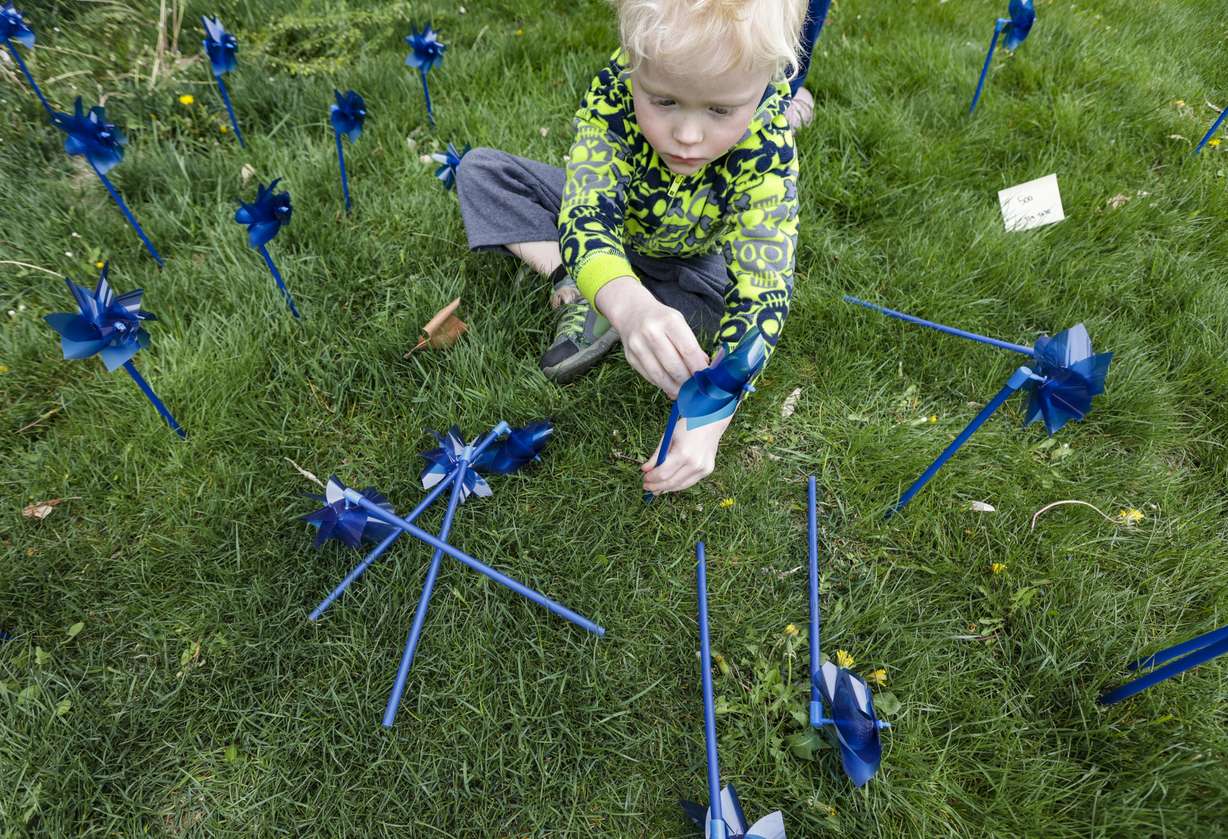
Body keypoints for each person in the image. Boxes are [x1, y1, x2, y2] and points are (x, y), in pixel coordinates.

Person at [455, 0, 804, 495]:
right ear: (634, 64)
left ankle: (617, 302)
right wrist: (628, 302)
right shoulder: (613, 98)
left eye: (721, 111)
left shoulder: (767, 146)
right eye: (663, 101)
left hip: (689, 257)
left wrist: (713, 408)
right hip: (611, 227)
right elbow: (586, 214)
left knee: (718, 321)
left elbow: (764, 288)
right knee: (482, 172)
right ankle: (578, 280)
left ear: (767, 84)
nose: (686, 135)